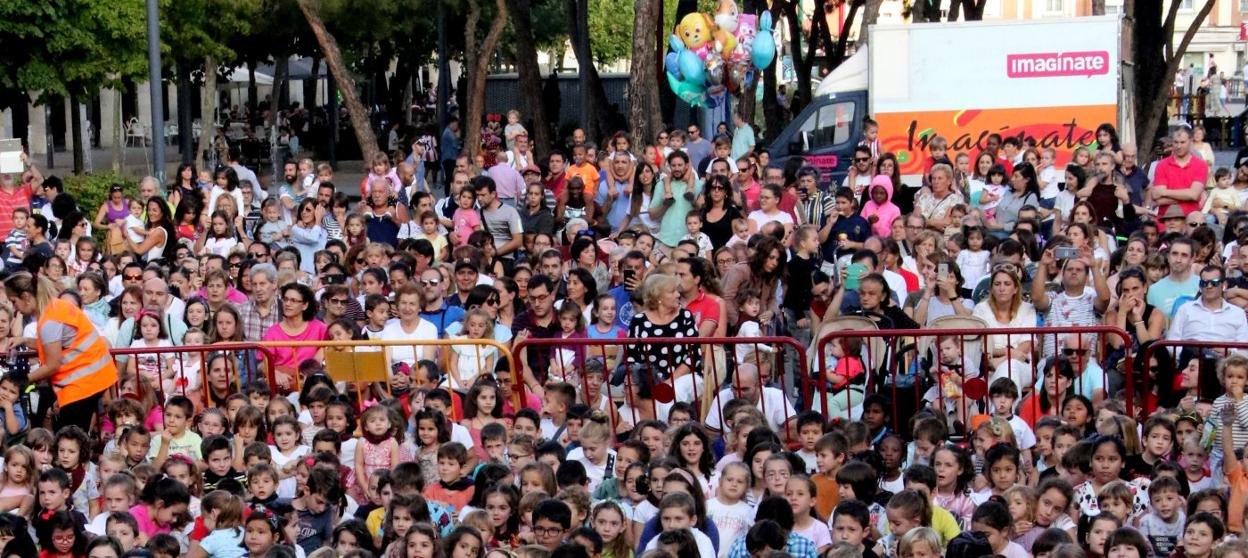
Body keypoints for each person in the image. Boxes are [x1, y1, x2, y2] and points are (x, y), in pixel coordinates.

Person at [4, 272, 117, 431]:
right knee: (74, 439)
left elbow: (52, 365)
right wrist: (24, 340)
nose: (14, 307)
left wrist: (23, 380)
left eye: (13, 301)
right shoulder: (56, 307)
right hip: (94, 377)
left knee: (71, 440)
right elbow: (56, 346)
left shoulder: (49, 320)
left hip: (83, 383)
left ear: (26, 296)